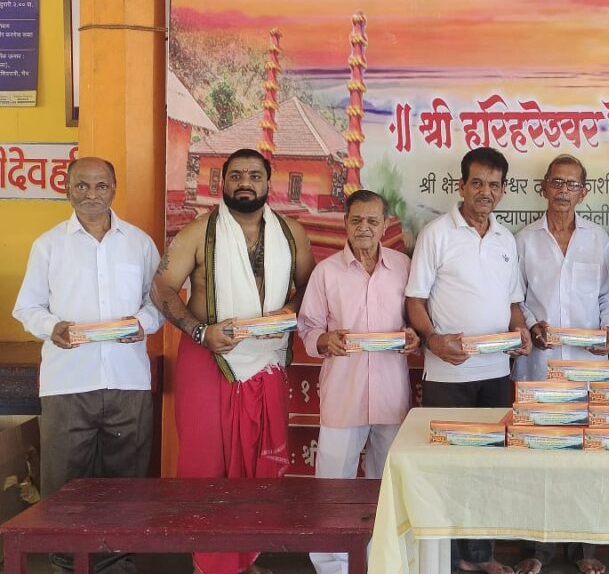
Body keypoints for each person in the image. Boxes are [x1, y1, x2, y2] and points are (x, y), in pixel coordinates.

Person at [151, 148, 314, 574]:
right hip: (208, 357)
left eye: (255, 175)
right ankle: (207, 563)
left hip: (266, 359)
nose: (245, 182)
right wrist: (199, 332)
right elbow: (162, 287)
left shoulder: (291, 233)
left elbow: (308, 288)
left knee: (257, 464)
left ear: (268, 182)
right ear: (222, 182)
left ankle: (244, 557)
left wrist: (289, 311)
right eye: (236, 175)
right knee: (206, 464)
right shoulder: (198, 233)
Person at [13, 156, 162, 574]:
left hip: (128, 380)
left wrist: (143, 323)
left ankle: (117, 563)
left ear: (114, 188)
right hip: (67, 382)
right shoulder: (48, 245)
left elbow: (159, 303)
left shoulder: (139, 243)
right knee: (64, 484)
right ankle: (66, 564)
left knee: (125, 480)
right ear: (66, 188)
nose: (91, 194)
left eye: (100, 186)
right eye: (81, 185)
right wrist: (53, 327)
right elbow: (26, 307)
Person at [406, 146, 531, 574]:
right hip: (448, 373)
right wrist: (432, 339)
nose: (485, 192)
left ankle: (479, 556)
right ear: (461, 186)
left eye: (494, 185)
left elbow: (513, 304)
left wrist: (521, 331)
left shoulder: (506, 239)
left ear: (503, 190)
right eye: (477, 182)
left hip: (496, 372)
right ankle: (440, 556)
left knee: (488, 464)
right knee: (446, 464)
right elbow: (415, 300)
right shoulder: (436, 233)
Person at [298, 189, 419, 574]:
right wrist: (324, 340)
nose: (364, 228)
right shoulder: (326, 272)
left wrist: (413, 337)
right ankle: (331, 566)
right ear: (345, 224)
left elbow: (415, 321)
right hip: (343, 394)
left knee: (388, 486)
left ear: (385, 225)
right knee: (333, 487)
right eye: (356, 220)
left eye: (372, 221)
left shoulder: (403, 267)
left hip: (390, 396)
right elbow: (308, 327)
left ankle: (383, 563)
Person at [513, 155, 609, 574]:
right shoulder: (524, 240)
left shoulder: (597, 240)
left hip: (587, 367)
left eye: (572, 184)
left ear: (584, 192)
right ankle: (536, 549)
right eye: (557, 182)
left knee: (586, 456)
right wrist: (531, 325)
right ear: (543, 186)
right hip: (539, 365)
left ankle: (585, 548)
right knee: (537, 456)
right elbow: (516, 298)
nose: (563, 191)